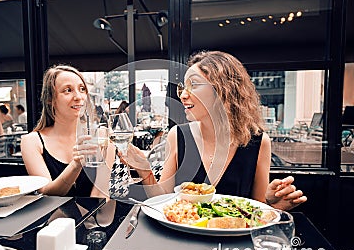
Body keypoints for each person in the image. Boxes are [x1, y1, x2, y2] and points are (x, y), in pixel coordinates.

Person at [125, 51, 307, 211]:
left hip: (230, 247)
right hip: (182, 242)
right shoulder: (178, 135)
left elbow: (256, 207)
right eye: (183, 87)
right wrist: (144, 170)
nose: (182, 94)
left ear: (224, 90)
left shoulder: (258, 142)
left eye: (193, 85)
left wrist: (274, 206)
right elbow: (162, 200)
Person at [21, 65, 111, 197]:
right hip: (52, 217)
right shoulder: (32, 142)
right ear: (50, 99)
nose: (78, 96)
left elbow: (101, 195)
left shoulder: (102, 136)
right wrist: (75, 165)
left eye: (82, 89)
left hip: (95, 216)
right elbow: (46, 193)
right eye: (67, 90)